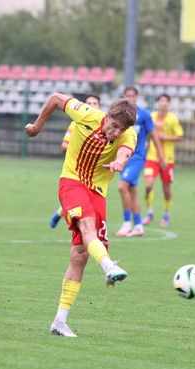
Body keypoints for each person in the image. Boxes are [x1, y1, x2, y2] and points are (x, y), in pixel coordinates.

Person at [25, 92, 137, 337]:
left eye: (122, 129)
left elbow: (124, 152)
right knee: (87, 226)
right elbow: (55, 98)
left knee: (80, 255)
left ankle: (59, 321)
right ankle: (109, 266)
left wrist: (120, 163)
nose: (116, 132)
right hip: (72, 182)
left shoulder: (129, 134)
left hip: (97, 191)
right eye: (114, 126)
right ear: (107, 116)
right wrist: (37, 126)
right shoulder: (86, 114)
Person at [115, 86, 166, 237]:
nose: (130, 98)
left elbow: (154, 135)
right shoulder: (120, 115)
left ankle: (126, 224)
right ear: (123, 97)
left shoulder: (144, 114)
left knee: (122, 187)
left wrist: (161, 156)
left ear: (137, 97)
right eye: (128, 96)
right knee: (132, 191)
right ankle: (138, 226)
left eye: (133, 96)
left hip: (137, 157)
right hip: (123, 157)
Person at [49, 94, 101, 228]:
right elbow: (64, 146)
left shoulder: (106, 126)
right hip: (77, 171)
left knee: (89, 200)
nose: (92, 106)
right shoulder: (76, 123)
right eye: (89, 103)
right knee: (80, 201)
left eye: (95, 103)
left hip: (96, 173)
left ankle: (60, 212)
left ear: (100, 106)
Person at [143, 93, 183, 227]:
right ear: (157, 103)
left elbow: (179, 136)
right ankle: (149, 213)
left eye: (166, 101)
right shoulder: (151, 116)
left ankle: (166, 214)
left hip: (167, 159)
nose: (163, 103)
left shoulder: (173, 118)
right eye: (161, 100)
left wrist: (164, 137)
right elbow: (146, 132)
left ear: (169, 104)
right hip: (152, 157)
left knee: (166, 188)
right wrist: (146, 142)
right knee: (148, 185)